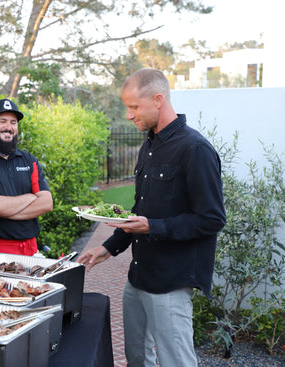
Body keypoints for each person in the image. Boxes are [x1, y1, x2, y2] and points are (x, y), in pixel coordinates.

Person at [77, 68, 226, 366]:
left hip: (171, 281)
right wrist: (107, 249)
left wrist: (153, 227)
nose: (129, 115)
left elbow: (212, 219)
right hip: (137, 277)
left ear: (158, 99)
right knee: (136, 359)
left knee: (176, 362)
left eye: (133, 107)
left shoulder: (194, 149)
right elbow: (140, 213)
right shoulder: (149, 146)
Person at [0, 98, 53, 256]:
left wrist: (6, 206)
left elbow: (47, 203)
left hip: (32, 248)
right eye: (3, 121)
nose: (9, 127)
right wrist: (32, 197)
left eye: (13, 122)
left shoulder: (29, 161)